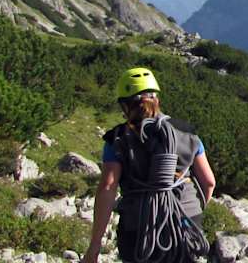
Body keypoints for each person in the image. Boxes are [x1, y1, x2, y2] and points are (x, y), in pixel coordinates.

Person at [84, 67, 216, 263]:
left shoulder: (118, 139)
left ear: (125, 106)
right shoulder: (187, 133)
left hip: (138, 226)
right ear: (157, 99)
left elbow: (107, 188)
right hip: (185, 221)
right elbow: (209, 182)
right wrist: (191, 212)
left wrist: (94, 247)